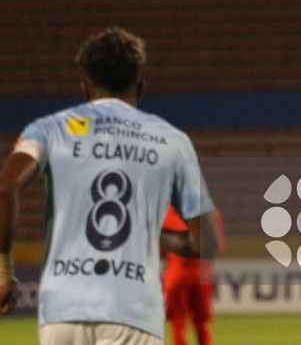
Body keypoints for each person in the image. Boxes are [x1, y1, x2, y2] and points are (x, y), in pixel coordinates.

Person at [0, 27, 219, 344]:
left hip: (61, 311)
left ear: (85, 88)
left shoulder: (48, 130)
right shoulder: (173, 141)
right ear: (141, 86)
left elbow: (5, 187)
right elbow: (206, 242)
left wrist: (3, 273)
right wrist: (148, 233)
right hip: (132, 310)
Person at [162, 205, 224, 345]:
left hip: (176, 271)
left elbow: (160, 250)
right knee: (201, 322)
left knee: (178, 323)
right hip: (201, 273)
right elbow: (217, 247)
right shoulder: (211, 213)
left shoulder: (166, 214)